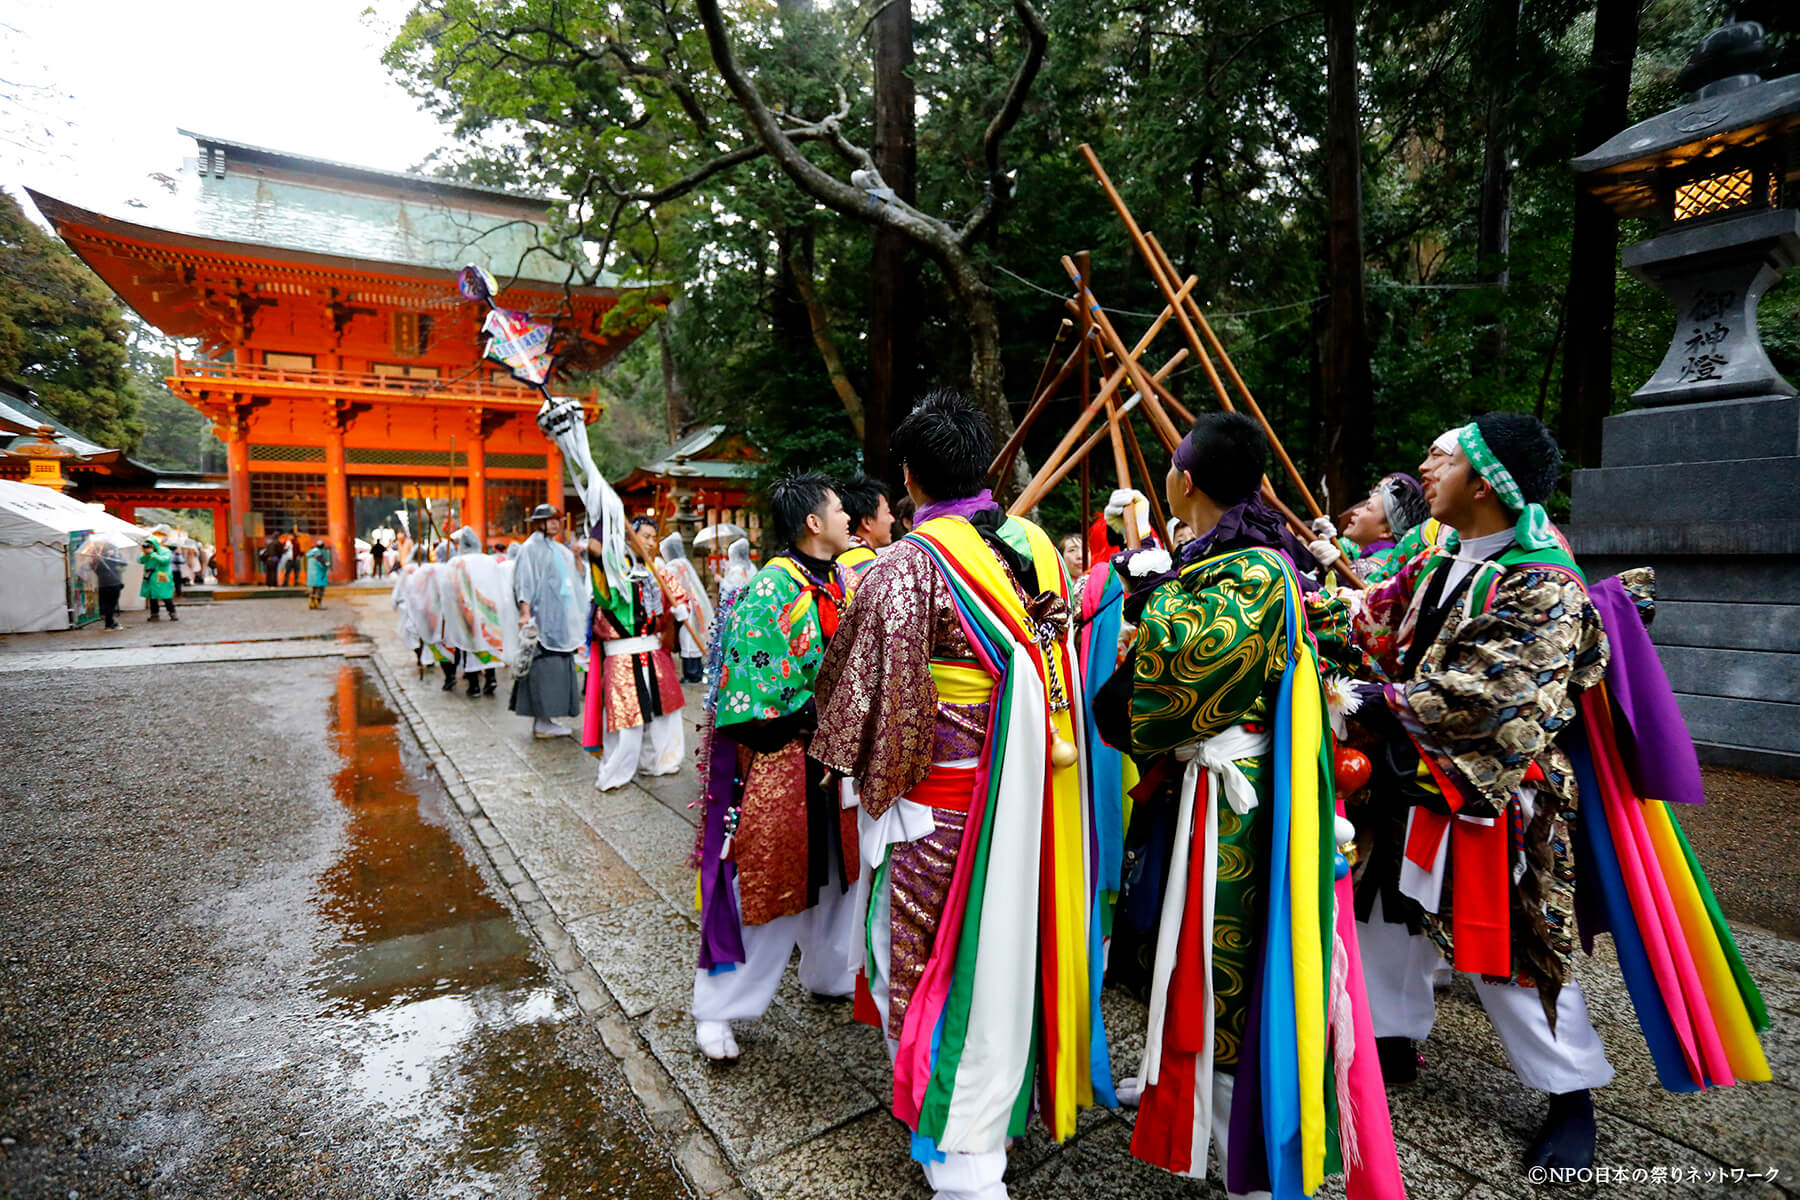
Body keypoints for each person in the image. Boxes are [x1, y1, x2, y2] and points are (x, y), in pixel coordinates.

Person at [1094, 412, 1401, 1195]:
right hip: (1207, 785)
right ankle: (1177, 1085)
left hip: (1232, 803)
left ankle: (1250, 1157)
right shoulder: (1236, 562)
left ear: (1185, 479)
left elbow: (1154, 702)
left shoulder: (1247, 572)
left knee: (1218, 960)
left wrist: (1141, 624)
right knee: (1179, 944)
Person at [812, 390, 1100, 1200]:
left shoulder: (905, 566)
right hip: (1032, 787)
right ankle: (1004, 1106)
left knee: (925, 960)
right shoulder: (1038, 546)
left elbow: (877, 700)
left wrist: (874, 788)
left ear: (908, 478)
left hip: (936, 806)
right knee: (1010, 947)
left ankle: (956, 1147)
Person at [1346, 412, 1613, 1173]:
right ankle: (1390, 1044)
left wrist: (1381, 701)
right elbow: (1371, 615)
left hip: (1495, 798)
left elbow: (1497, 697)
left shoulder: (1544, 579)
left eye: (1442, 457)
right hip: (1409, 783)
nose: (1425, 469)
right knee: (1383, 916)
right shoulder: (1444, 560)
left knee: (1511, 952)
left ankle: (1573, 1097)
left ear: (1488, 481)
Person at [691, 473, 861, 1061]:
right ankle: (718, 1008)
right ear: (813, 523)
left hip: (836, 758)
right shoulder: (769, 590)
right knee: (768, 886)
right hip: (784, 758)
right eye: (840, 509)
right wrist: (819, 709)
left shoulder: (843, 579)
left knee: (843, 877)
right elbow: (749, 694)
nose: (849, 518)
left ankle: (829, 973)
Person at [584, 516, 687, 787]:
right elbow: (595, 550)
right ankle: (615, 772)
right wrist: (608, 517)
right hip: (621, 652)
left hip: (654, 650)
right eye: (646, 536)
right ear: (630, 537)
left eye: (655, 538)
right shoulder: (615, 569)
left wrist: (677, 612)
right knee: (626, 718)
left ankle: (661, 762)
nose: (652, 543)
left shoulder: (658, 570)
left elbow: (677, 599)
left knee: (667, 712)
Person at [510, 504, 588, 738]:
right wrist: (525, 612)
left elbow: (575, 581)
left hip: (560, 620)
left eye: (557, 520)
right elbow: (525, 581)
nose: (554, 524)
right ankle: (542, 721)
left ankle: (548, 719)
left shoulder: (561, 550)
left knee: (558, 669)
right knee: (543, 670)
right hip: (542, 618)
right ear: (538, 523)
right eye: (549, 520)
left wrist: (576, 558)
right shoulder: (530, 549)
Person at [1307, 473, 1430, 585]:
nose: (1355, 511)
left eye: (1367, 508)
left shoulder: (1381, 562)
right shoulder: (1378, 556)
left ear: (1386, 531)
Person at [659, 531, 714, 684]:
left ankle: (692, 673)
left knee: (688, 638)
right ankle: (695, 670)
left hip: (684, 605)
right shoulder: (684, 562)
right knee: (691, 637)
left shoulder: (673, 566)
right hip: (694, 603)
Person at [837, 473, 895, 579]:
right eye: (887, 512)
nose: (892, 519)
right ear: (867, 522)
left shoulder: (837, 562)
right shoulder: (875, 569)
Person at [87, 536, 126, 629]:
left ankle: (109, 622)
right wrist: (112, 556)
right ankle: (109, 623)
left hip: (103, 584)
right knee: (110, 604)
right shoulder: (109, 557)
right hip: (113, 583)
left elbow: (94, 569)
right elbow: (124, 563)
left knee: (108, 605)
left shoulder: (96, 558)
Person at [139, 535, 177, 621]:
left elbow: (164, 561)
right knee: (152, 596)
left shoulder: (165, 551)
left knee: (166, 596)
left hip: (162, 577)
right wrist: (146, 553)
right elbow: (140, 560)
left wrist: (153, 553)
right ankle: (154, 615)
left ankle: (172, 613)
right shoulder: (147, 553)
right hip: (151, 577)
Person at [304, 535, 330, 608]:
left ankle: (311, 604)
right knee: (319, 591)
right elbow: (323, 564)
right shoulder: (318, 553)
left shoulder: (310, 553)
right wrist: (327, 564)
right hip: (319, 576)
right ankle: (318, 605)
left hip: (311, 577)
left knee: (312, 591)